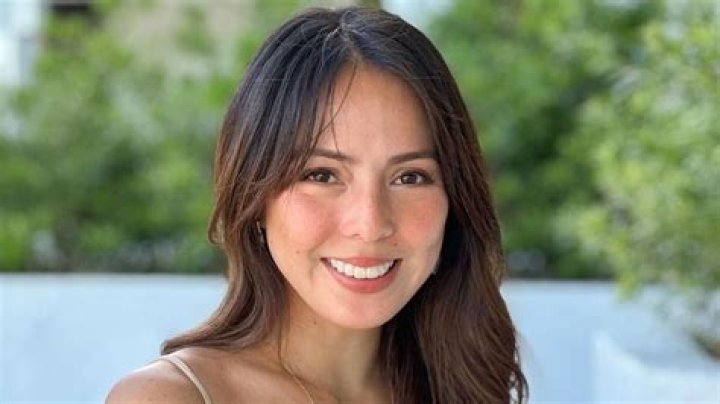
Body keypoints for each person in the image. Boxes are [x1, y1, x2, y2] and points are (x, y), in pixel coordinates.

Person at [107, 6, 528, 403]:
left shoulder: (462, 388)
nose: (370, 223)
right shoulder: (174, 397)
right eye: (322, 175)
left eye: (410, 177)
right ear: (255, 196)